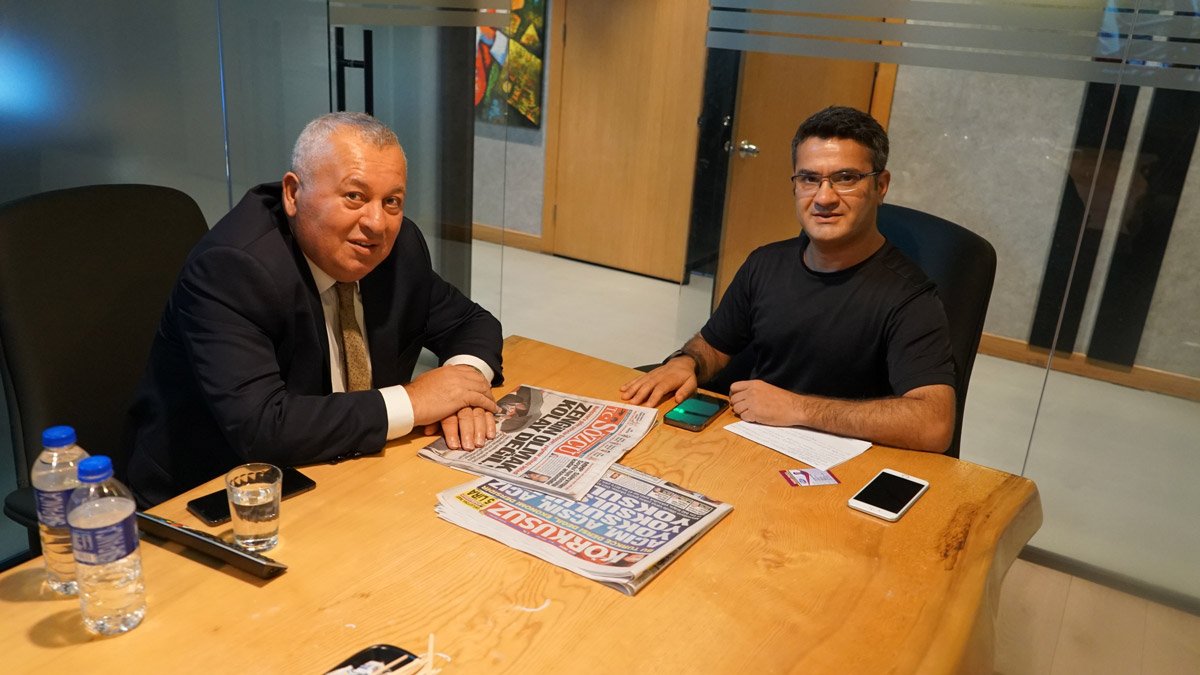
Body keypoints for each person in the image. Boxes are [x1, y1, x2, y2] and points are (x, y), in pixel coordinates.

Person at [125, 112, 504, 506]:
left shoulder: (397, 247)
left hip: (351, 474)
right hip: (219, 495)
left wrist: (463, 389)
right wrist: (415, 401)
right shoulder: (232, 268)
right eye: (355, 196)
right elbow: (263, 427)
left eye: (391, 201)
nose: (377, 223)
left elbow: (471, 323)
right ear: (293, 194)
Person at [621, 106, 956, 453]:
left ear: (880, 186)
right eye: (809, 179)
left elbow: (933, 425)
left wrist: (797, 408)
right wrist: (686, 361)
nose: (824, 197)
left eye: (845, 178)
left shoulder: (911, 297)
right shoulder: (765, 263)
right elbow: (715, 344)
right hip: (751, 445)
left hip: (842, 464)